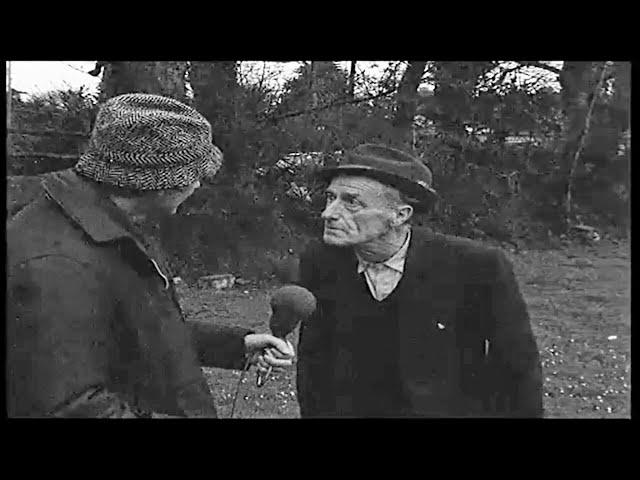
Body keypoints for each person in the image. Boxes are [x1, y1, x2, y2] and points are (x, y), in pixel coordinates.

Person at [7, 93, 294, 418]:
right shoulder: (56, 264)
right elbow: (70, 408)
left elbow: (137, 330)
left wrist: (233, 345)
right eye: (193, 174)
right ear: (159, 181)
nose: (198, 184)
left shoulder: (106, 226)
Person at [296, 143, 543, 418]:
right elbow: (313, 365)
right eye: (331, 198)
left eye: (351, 202)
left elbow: (517, 371)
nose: (328, 213)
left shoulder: (477, 267)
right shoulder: (320, 262)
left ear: (400, 215)